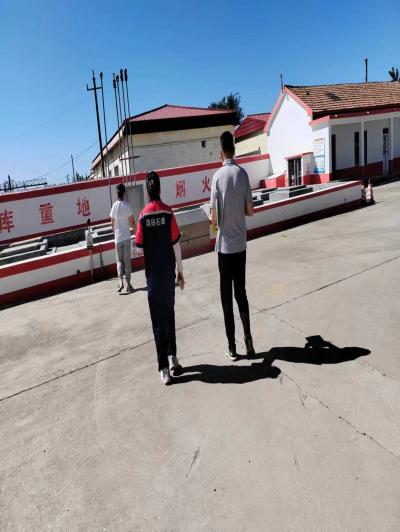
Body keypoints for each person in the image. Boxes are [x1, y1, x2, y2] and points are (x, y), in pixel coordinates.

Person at [135, 171, 185, 385]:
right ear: (160, 189)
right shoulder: (168, 212)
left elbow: (138, 248)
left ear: (147, 191)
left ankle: (164, 368)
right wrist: (180, 271)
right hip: (167, 277)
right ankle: (173, 357)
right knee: (169, 315)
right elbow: (176, 244)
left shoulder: (143, 215)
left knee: (157, 322)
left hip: (153, 279)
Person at [210, 131, 256, 361]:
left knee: (226, 298)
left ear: (221, 152)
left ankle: (232, 347)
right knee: (241, 294)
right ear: (234, 150)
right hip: (240, 246)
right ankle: (249, 340)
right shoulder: (243, 174)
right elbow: (250, 211)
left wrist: (215, 218)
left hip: (224, 248)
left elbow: (214, 220)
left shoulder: (217, 177)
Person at [110, 183, 136, 293]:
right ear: (124, 193)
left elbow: (112, 222)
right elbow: (132, 222)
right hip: (126, 237)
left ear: (117, 193)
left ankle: (120, 280)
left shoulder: (114, 206)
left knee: (119, 261)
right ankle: (129, 285)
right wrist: (136, 231)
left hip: (118, 238)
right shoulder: (127, 205)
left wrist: (115, 233)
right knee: (127, 262)